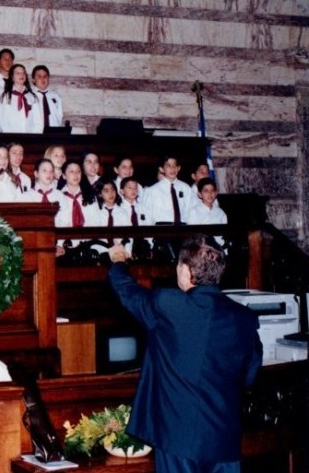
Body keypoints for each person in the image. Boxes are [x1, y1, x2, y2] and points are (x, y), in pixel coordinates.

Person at [107, 236, 262, 473]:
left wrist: (118, 261)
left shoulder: (168, 304)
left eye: (179, 265)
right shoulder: (245, 318)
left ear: (187, 271)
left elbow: (128, 291)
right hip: (224, 440)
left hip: (177, 439)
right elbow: (250, 375)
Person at [145, 155, 191, 224]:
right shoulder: (153, 190)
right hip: (162, 226)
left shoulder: (186, 188)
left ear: (179, 168)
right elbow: (147, 215)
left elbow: (189, 211)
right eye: (168, 166)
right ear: (161, 169)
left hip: (182, 226)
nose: (172, 168)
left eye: (175, 165)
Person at [0, 64, 38, 133]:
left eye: (23, 73)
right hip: (12, 135)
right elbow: (2, 120)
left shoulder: (32, 97)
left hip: (30, 135)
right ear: (12, 77)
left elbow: (38, 120)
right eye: (18, 73)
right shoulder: (6, 97)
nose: (21, 75)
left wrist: (35, 135)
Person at [30, 65, 64, 131]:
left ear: (48, 78)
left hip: (53, 133)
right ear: (33, 79)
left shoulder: (56, 96)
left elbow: (60, 117)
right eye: (39, 76)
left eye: (45, 76)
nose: (43, 79)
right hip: (36, 133)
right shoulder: (29, 96)